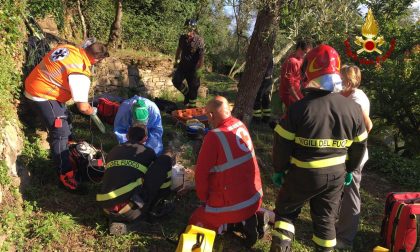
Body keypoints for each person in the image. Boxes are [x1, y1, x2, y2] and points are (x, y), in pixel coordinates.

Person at [270, 45, 368, 252]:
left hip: (302, 173)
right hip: (336, 177)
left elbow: (282, 144)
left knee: (286, 212)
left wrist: (279, 169)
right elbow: (360, 145)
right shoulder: (353, 109)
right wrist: (349, 169)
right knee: (325, 221)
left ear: (309, 72)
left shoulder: (298, 109)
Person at [24, 42, 109, 191]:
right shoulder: (80, 73)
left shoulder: (70, 48)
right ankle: (66, 176)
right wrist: (92, 111)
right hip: (42, 94)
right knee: (61, 133)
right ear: (96, 60)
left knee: (67, 122)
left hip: (37, 83)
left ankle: (69, 155)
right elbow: (82, 107)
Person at [188, 96, 264, 248]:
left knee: (197, 218)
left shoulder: (213, 136)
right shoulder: (240, 125)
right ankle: (244, 220)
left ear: (210, 115)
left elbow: (201, 175)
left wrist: (204, 199)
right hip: (255, 198)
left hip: (234, 206)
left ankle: (227, 225)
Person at [97, 125, 173, 234]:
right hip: (130, 210)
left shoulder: (114, 150)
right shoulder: (148, 152)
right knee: (164, 160)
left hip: (105, 206)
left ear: (127, 136)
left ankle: (119, 217)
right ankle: (157, 204)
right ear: (145, 138)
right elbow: (155, 174)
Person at [335, 65, 373, 249]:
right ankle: (338, 229)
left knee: (351, 195)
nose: (337, 83)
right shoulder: (348, 96)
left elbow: (368, 125)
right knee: (342, 192)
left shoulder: (356, 99)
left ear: (348, 82)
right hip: (345, 154)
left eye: (340, 79)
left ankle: (345, 239)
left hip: (354, 156)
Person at [172, 18, 205, 108]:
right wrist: (176, 60)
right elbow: (179, 49)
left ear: (194, 30)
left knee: (193, 88)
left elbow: (201, 56)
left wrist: (199, 69)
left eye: (190, 30)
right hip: (182, 66)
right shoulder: (182, 38)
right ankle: (186, 94)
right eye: (187, 29)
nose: (188, 32)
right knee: (176, 81)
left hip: (194, 69)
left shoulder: (199, 40)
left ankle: (192, 108)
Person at [279, 40, 312, 109]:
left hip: (297, 91)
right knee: (299, 111)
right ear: (299, 48)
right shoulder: (292, 62)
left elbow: (303, 77)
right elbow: (289, 85)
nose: (306, 55)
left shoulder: (300, 59)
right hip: (289, 94)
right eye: (305, 52)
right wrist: (298, 100)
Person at [253, 51, 274, 123]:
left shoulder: (264, 54)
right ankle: (266, 118)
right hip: (269, 80)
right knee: (266, 99)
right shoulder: (270, 55)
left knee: (257, 98)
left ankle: (257, 118)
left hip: (263, 80)